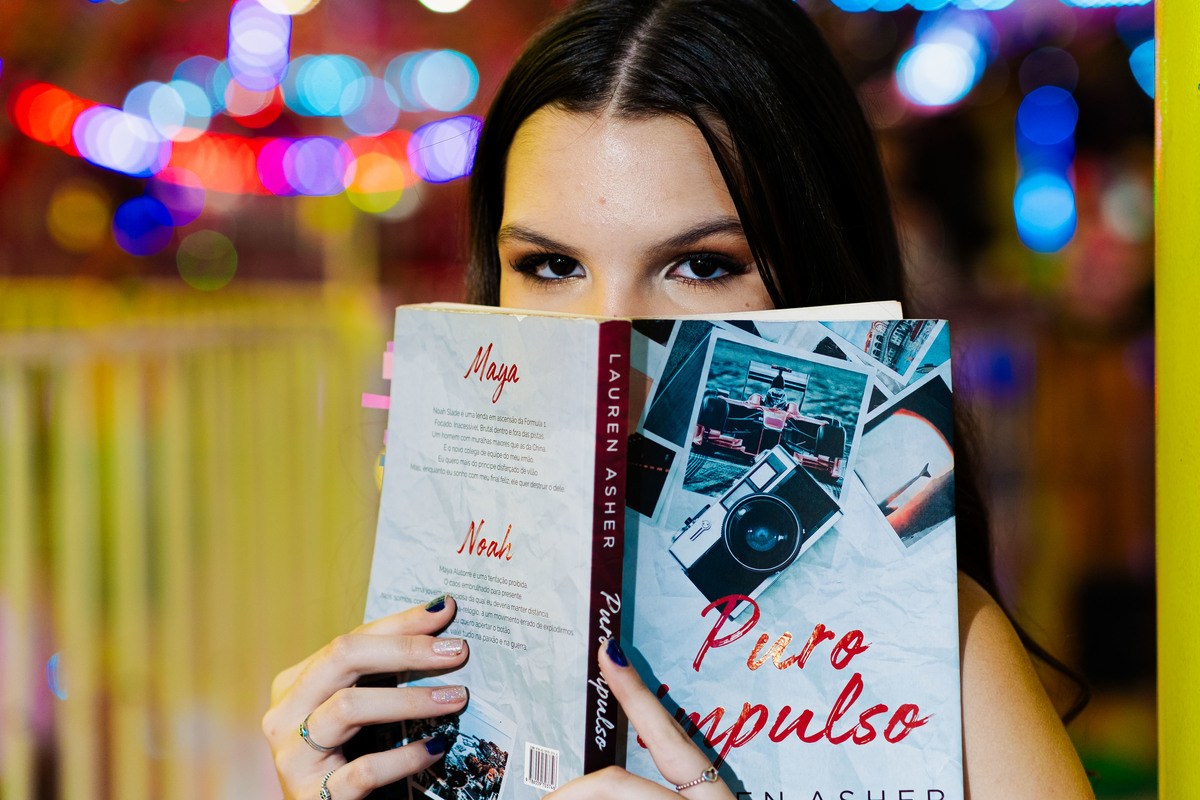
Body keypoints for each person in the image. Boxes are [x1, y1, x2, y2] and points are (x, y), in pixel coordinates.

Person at [261, 1, 1096, 798]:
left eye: (700, 266)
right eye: (552, 266)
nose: (612, 343)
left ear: (820, 279)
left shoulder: (944, 653)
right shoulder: (443, 655)